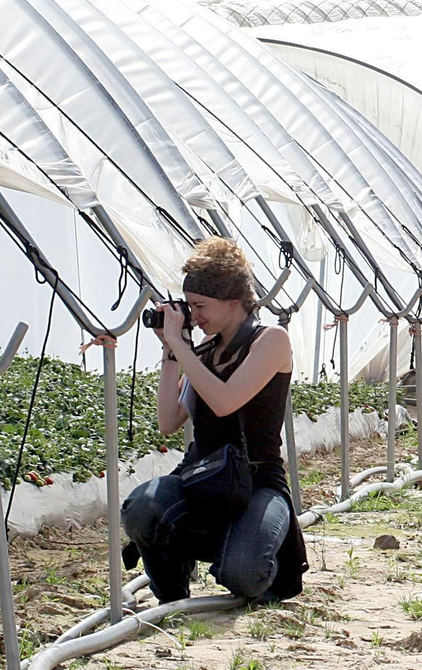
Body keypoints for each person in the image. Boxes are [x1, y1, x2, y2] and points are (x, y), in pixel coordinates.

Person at [120, 238, 307, 604]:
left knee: (244, 575)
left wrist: (182, 345)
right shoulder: (203, 351)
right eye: (189, 307)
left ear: (233, 302)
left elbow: (225, 401)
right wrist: (171, 351)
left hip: (257, 482)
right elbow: (168, 420)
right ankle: (171, 593)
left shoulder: (271, 341)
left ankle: (245, 548)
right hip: (205, 478)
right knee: (142, 507)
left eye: (199, 306)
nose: (194, 316)